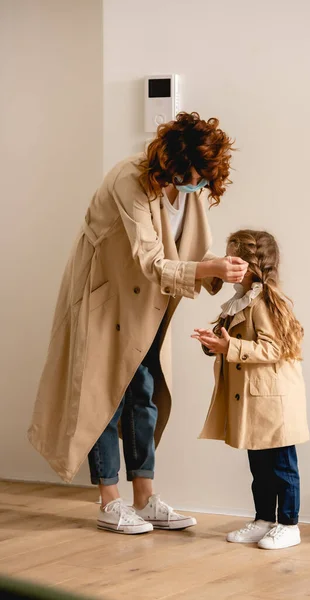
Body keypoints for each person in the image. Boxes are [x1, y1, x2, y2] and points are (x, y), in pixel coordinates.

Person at [28, 112, 248, 535]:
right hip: (106, 300)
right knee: (102, 398)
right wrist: (209, 268)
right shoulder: (129, 179)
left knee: (144, 395)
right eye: (198, 176)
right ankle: (109, 501)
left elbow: (189, 251)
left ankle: (145, 498)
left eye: (207, 178)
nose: (201, 185)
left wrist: (222, 268)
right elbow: (150, 260)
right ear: (176, 161)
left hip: (149, 305)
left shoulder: (191, 191)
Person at [192, 229, 309, 550]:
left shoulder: (266, 303)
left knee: (282, 467)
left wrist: (232, 348)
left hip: (273, 400)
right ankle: (263, 519)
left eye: (232, 256)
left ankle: (289, 524)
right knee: (259, 467)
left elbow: (275, 349)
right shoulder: (240, 302)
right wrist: (217, 344)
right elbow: (234, 344)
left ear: (248, 264)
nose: (225, 262)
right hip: (254, 399)